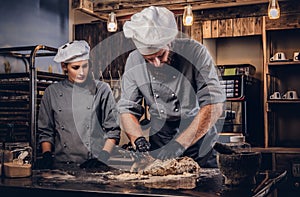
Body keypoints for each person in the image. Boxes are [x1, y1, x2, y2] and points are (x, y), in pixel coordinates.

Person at [118, 6, 225, 168]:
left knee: (204, 187)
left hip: (197, 135)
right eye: (149, 59)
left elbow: (214, 105)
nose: (157, 64)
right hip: (160, 138)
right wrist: (138, 139)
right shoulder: (133, 61)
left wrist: (179, 144)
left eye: (161, 55)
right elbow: (127, 109)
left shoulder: (196, 53)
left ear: (171, 42)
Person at [37, 40, 120, 170]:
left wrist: (102, 158)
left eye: (85, 66)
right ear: (64, 67)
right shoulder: (52, 92)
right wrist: (46, 154)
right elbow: (45, 131)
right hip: (61, 165)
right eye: (75, 67)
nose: (82, 72)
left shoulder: (102, 89)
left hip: (94, 164)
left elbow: (113, 130)